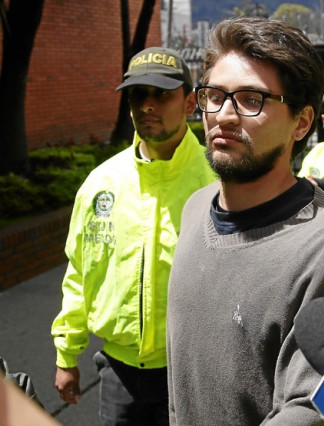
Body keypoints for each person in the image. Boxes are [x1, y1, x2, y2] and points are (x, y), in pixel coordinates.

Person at [165, 17, 324, 425]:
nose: (224, 115)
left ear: (300, 123)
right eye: (214, 95)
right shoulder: (195, 208)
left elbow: (314, 410)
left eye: (250, 100)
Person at [51, 47, 216, 425]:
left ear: (190, 102)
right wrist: (66, 355)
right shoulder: (101, 184)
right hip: (118, 373)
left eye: (162, 94)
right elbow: (81, 273)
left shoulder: (218, 182)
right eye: (139, 94)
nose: (148, 105)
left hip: (192, 372)